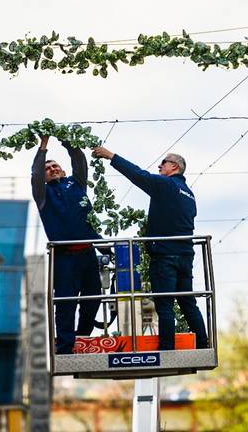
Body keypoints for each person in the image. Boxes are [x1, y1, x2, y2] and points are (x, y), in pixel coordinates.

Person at [91, 147, 209, 351]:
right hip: (185, 256)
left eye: (163, 163)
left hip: (165, 256)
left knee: (164, 304)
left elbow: (138, 175)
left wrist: (111, 156)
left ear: (174, 166)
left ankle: (166, 349)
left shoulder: (166, 184)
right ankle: (203, 343)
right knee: (188, 302)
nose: (159, 166)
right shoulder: (189, 194)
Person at [32, 135, 103, 354]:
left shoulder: (76, 184)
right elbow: (35, 175)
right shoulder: (43, 194)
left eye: (55, 166)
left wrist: (67, 141)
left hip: (88, 253)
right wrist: (43, 145)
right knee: (65, 303)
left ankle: (82, 337)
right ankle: (64, 347)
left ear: (63, 171)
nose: (52, 169)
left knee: (93, 298)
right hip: (64, 257)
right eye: (48, 168)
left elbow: (80, 162)